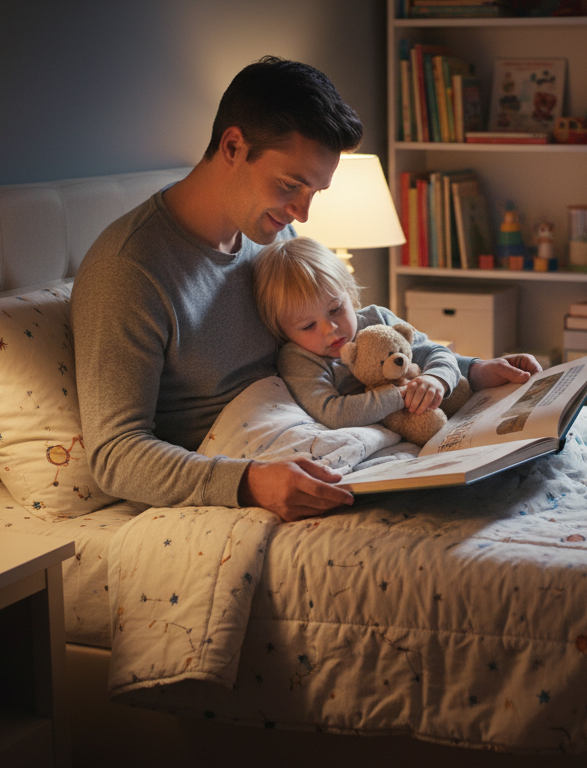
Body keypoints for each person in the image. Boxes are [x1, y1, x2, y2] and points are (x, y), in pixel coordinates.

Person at [71, 56, 539, 523]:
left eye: (314, 192)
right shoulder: (128, 273)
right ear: (233, 146)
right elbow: (115, 455)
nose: (302, 213)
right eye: (290, 185)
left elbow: (344, 351)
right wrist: (251, 481)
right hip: (253, 464)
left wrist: (471, 370)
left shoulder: (269, 239)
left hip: (336, 434)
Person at [256, 236, 461, 429]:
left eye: (336, 309)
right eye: (308, 326)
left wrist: (436, 379)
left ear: (349, 292)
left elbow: (435, 351)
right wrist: (399, 394)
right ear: (284, 332)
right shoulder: (299, 359)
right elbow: (333, 413)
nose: (330, 329)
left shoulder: (376, 319)